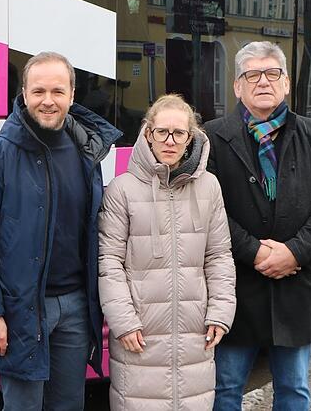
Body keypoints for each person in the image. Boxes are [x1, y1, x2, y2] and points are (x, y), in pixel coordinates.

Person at [0, 51, 122, 410]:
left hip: (76, 308)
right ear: (24, 94)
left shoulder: (86, 151)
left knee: (69, 404)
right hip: (20, 310)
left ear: (72, 96)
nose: (48, 101)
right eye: (39, 91)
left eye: (58, 92)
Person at [204, 42, 311, 411]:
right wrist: (255, 251)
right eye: (252, 74)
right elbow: (208, 211)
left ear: (286, 84)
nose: (262, 82)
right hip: (237, 287)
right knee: (225, 387)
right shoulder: (213, 137)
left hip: (295, 284)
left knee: (294, 389)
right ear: (237, 86)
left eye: (272, 74)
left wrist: (294, 252)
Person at [99, 94, 236, 410]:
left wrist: (220, 312)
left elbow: (219, 256)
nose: (170, 141)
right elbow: (109, 261)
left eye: (179, 133)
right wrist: (124, 321)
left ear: (191, 137)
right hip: (140, 336)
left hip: (195, 333)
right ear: (148, 133)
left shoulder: (209, 187)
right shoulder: (123, 189)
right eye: (162, 132)